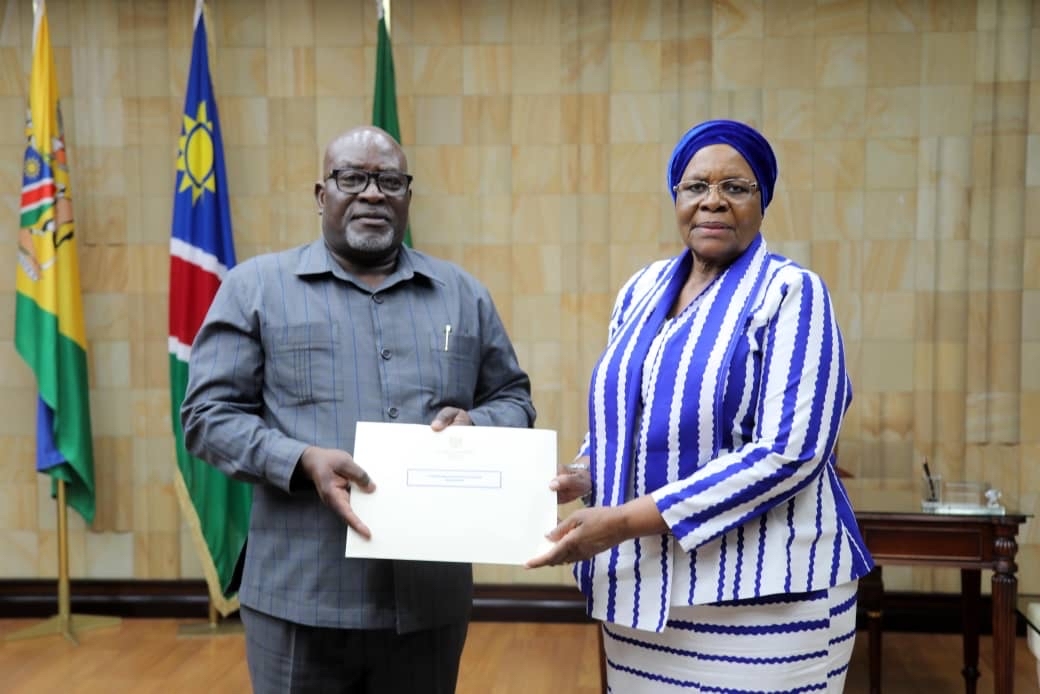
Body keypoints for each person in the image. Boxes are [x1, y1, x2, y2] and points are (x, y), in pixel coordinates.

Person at [181, 126, 535, 694]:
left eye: (389, 181)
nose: (372, 193)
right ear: (321, 195)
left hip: (428, 601)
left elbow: (514, 399)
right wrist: (301, 460)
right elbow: (207, 415)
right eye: (352, 178)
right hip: (300, 595)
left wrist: (478, 424)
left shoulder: (462, 294)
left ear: (408, 197)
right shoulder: (256, 289)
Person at [527, 119, 874, 692]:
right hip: (642, 597)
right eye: (696, 187)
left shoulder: (792, 292)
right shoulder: (640, 290)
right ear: (677, 198)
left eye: (735, 187)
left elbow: (789, 454)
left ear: (762, 201)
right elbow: (624, 414)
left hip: (769, 600)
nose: (713, 201)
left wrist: (622, 521)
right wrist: (585, 473)